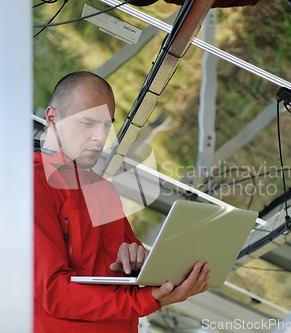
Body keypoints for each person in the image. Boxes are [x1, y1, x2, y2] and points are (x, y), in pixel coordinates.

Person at [33, 71, 211, 332]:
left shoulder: (102, 190)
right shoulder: (29, 184)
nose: (100, 137)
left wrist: (139, 262)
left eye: (106, 125)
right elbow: (54, 292)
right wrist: (144, 300)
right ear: (52, 117)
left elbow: (125, 264)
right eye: (87, 123)